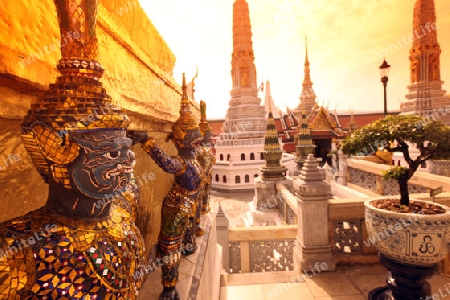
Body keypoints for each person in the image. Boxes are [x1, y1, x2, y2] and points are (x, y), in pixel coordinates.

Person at [0, 0, 146, 298]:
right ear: (54, 153)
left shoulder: (122, 212)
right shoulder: (16, 250)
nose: (129, 160)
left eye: (127, 149)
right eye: (111, 153)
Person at [129, 74, 203, 300]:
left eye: (177, 140)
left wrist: (146, 141)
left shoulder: (185, 164)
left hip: (176, 208)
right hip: (187, 206)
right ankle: (185, 251)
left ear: (183, 142)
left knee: (169, 245)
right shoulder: (197, 161)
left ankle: (169, 288)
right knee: (177, 241)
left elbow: (166, 162)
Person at [195, 100, 216, 236]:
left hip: (207, 176)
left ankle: (205, 207)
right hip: (199, 178)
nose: (210, 137)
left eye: (210, 135)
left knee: (204, 196)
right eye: (208, 135)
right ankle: (196, 224)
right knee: (196, 200)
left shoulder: (207, 148)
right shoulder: (198, 149)